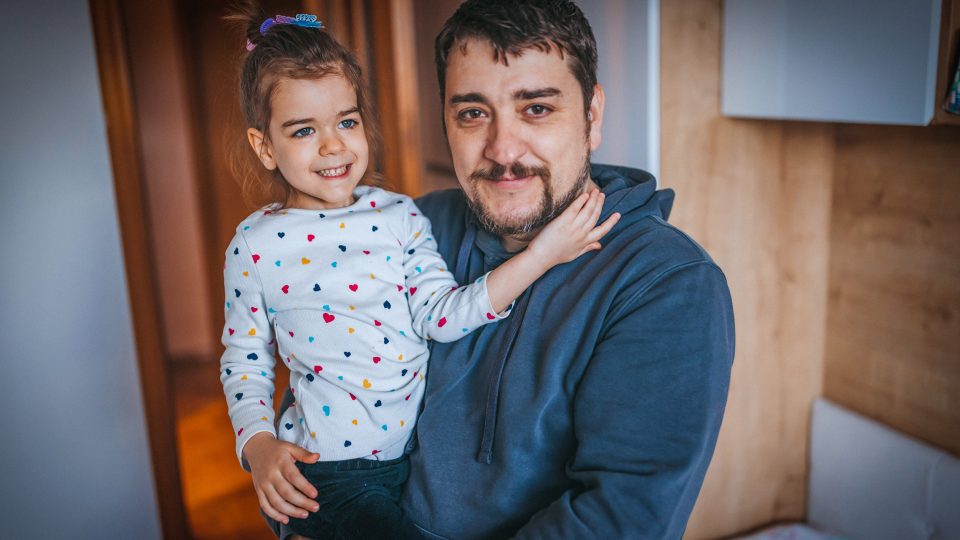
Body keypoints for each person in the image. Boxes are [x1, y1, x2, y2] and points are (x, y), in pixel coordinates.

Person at [219, 5, 619, 540]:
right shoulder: (254, 246)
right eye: (302, 131)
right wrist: (258, 446)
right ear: (264, 146)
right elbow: (244, 362)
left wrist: (542, 254)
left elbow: (443, 316)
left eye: (346, 121)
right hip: (327, 474)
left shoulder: (402, 216)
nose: (333, 145)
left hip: (404, 463)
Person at [397, 0, 736, 538]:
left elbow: (617, 519)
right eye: (472, 113)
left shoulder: (666, 283)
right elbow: (320, 388)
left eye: (535, 108)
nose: (503, 150)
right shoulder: (411, 229)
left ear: (591, 115)